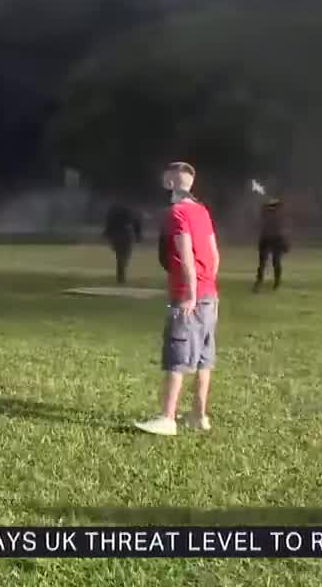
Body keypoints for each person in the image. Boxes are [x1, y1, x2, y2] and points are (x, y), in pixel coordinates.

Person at [136, 161, 220, 437]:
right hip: (210, 294)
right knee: (203, 358)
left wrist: (190, 296)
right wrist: (207, 288)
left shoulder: (176, 213)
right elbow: (214, 255)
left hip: (189, 295)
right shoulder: (202, 210)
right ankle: (198, 415)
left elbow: (185, 258)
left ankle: (167, 418)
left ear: (172, 183)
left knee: (177, 355)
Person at [254, 197, 289, 292]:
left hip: (274, 239)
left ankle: (273, 282)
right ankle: (262, 281)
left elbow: (281, 228)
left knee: (272, 262)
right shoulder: (268, 212)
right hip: (269, 239)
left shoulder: (277, 214)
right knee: (265, 262)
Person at [104, 202, 143, 285]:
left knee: (120, 256)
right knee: (124, 256)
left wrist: (107, 234)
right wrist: (138, 236)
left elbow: (109, 224)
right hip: (126, 235)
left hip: (117, 235)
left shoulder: (113, 212)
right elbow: (136, 224)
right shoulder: (131, 212)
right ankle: (121, 274)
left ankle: (121, 274)